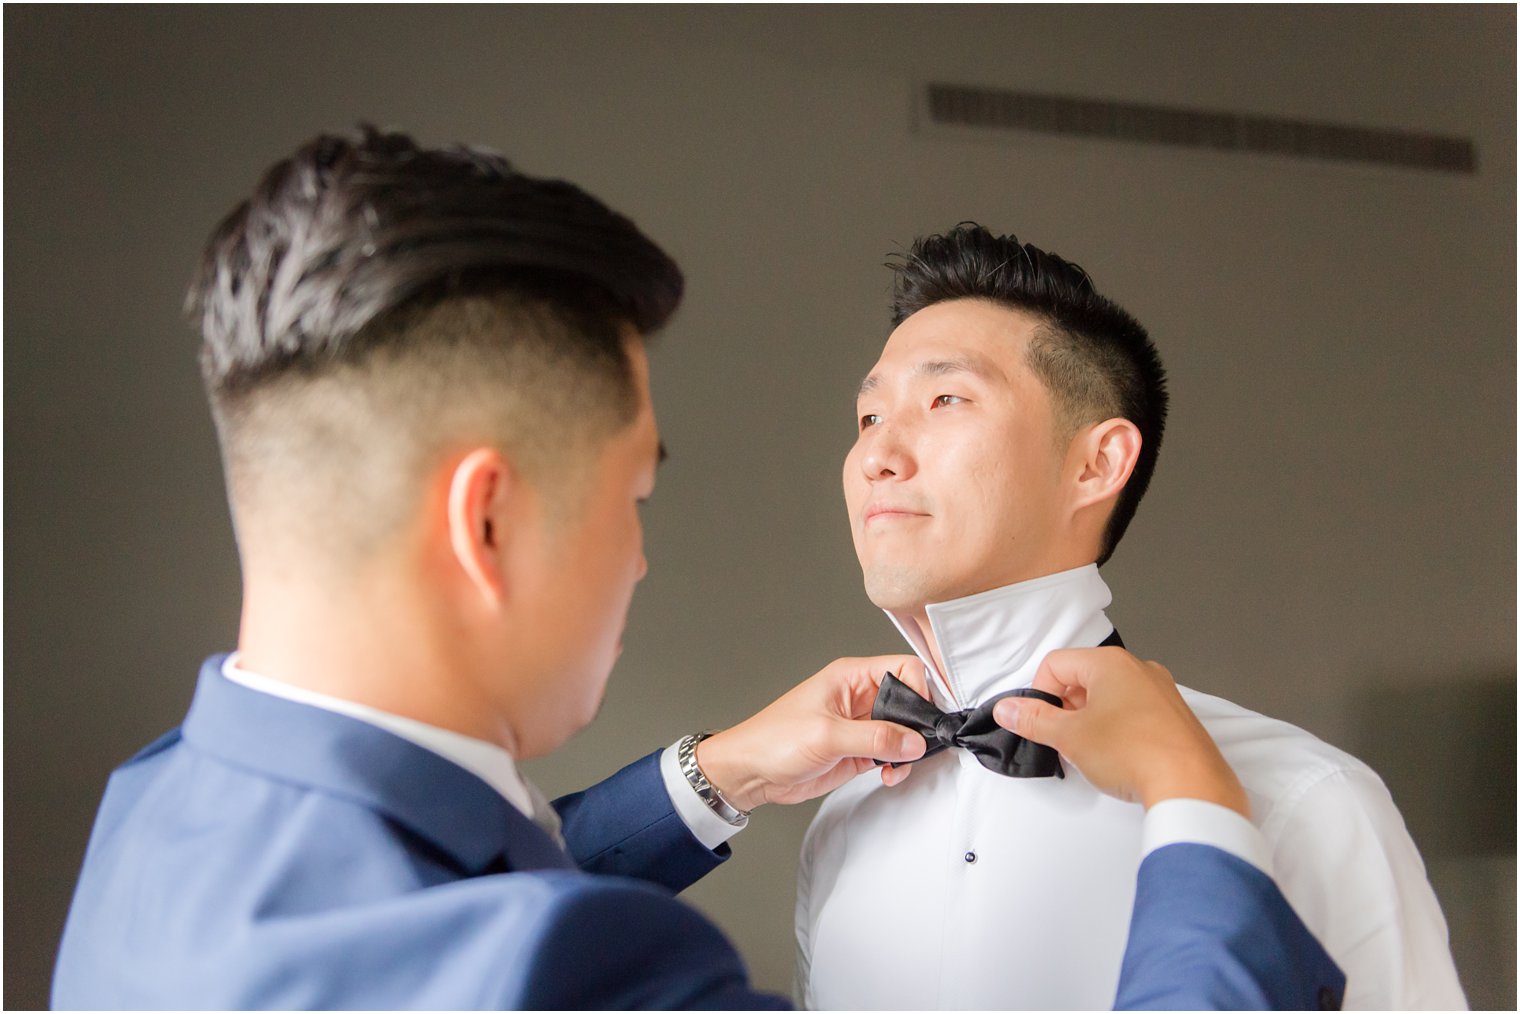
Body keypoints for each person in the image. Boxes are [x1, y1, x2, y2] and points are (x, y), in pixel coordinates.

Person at [54, 129, 1339, 1010]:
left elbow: (439, 898)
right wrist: (1195, 809)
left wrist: (714, 774)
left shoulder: (157, 812)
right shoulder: (586, 971)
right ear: (485, 524)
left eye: (938, 404)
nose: (640, 559)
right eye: (634, 497)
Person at [794, 225, 1468, 1011]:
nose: (878, 454)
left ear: (1098, 463)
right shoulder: (843, 819)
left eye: (946, 399)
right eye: (869, 418)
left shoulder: (1308, 801)